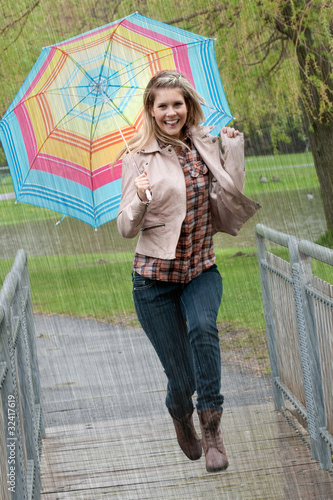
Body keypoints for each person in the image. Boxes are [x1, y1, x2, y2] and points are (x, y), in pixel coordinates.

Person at [116, 70, 259, 473]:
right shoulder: (136, 158)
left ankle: (211, 428)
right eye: (162, 105)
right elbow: (126, 228)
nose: (171, 112)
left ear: (188, 105)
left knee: (203, 328)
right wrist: (141, 200)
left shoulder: (205, 143)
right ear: (151, 110)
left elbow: (230, 194)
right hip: (153, 284)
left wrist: (234, 151)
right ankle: (180, 412)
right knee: (181, 379)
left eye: (177, 103)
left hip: (200, 269)